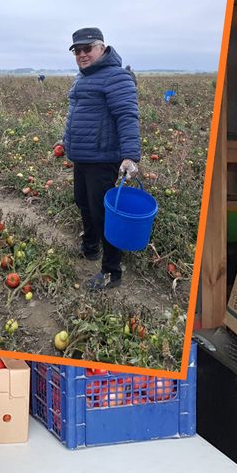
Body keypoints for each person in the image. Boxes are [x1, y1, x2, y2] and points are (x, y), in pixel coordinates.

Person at [54, 27, 141, 290]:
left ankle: (111, 271)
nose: (81, 54)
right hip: (82, 156)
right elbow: (76, 117)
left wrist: (129, 156)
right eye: (76, 50)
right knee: (83, 203)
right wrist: (65, 140)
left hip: (103, 158)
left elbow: (127, 117)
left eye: (87, 48)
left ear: (101, 48)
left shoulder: (117, 77)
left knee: (105, 214)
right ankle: (90, 246)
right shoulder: (81, 78)